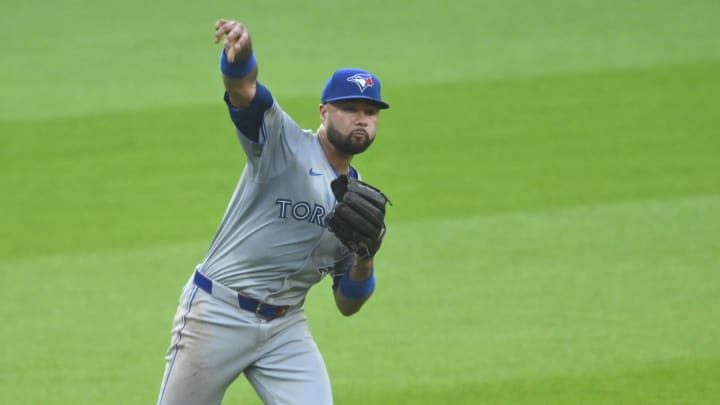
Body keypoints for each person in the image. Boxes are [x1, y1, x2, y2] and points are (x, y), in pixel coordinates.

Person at [156, 18, 391, 405]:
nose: (361, 118)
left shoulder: (360, 205)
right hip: (218, 313)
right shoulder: (282, 145)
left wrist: (365, 258)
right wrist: (241, 56)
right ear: (323, 111)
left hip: (285, 328)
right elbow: (244, 90)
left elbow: (348, 303)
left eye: (370, 111)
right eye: (349, 108)